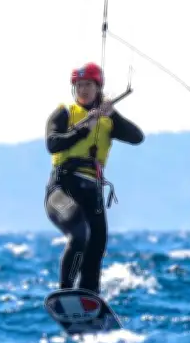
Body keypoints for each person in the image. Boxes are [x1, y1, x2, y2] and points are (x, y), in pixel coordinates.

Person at [44, 61, 144, 295]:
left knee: (96, 246)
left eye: (88, 84)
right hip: (61, 190)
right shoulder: (64, 114)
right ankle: (66, 292)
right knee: (80, 235)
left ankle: (89, 296)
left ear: (98, 88)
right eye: (79, 85)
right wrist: (81, 130)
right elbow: (52, 143)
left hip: (92, 192)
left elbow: (137, 137)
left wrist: (113, 115)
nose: (84, 89)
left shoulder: (107, 119)